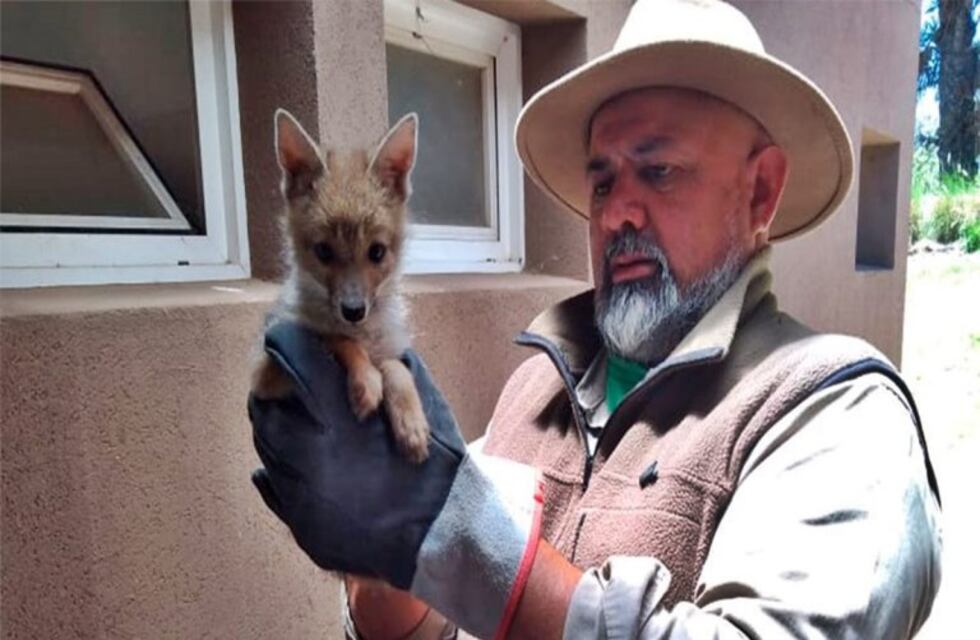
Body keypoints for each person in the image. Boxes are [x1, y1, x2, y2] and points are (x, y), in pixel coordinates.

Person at [249, 0, 943, 638]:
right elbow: (443, 620)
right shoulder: (533, 391)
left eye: (660, 171)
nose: (615, 213)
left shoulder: (837, 412)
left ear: (760, 191)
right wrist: (383, 566)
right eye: (603, 180)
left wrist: (454, 535)